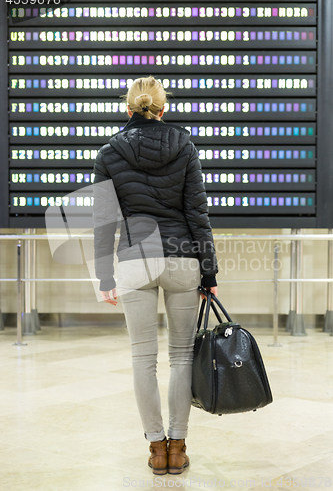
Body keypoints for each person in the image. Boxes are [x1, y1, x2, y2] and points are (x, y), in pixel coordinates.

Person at [93, 76, 218, 475]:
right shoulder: (184, 145)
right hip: (182, 257)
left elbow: (102, 222)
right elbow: (197, 214)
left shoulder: (109, 152)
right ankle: (178, 447)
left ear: (128, 109)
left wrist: (104, 276)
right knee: (182, 357)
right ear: (163, 109)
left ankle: (155, 448)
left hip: (135, 259)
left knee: (142, 359)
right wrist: (209, 270)